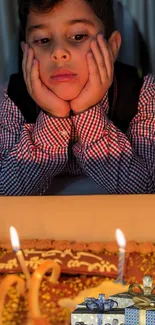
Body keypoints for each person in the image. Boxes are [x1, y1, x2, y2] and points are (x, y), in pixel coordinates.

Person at [0, 0, 154, 196]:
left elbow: (147, 191)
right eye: (43, 40)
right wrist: (54, 116)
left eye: (78, 36)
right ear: (26, 53)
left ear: (112, 47)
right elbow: (5, 194)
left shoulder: (142, 93)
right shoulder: (13, 97)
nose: (58, 52)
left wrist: (86, 110)